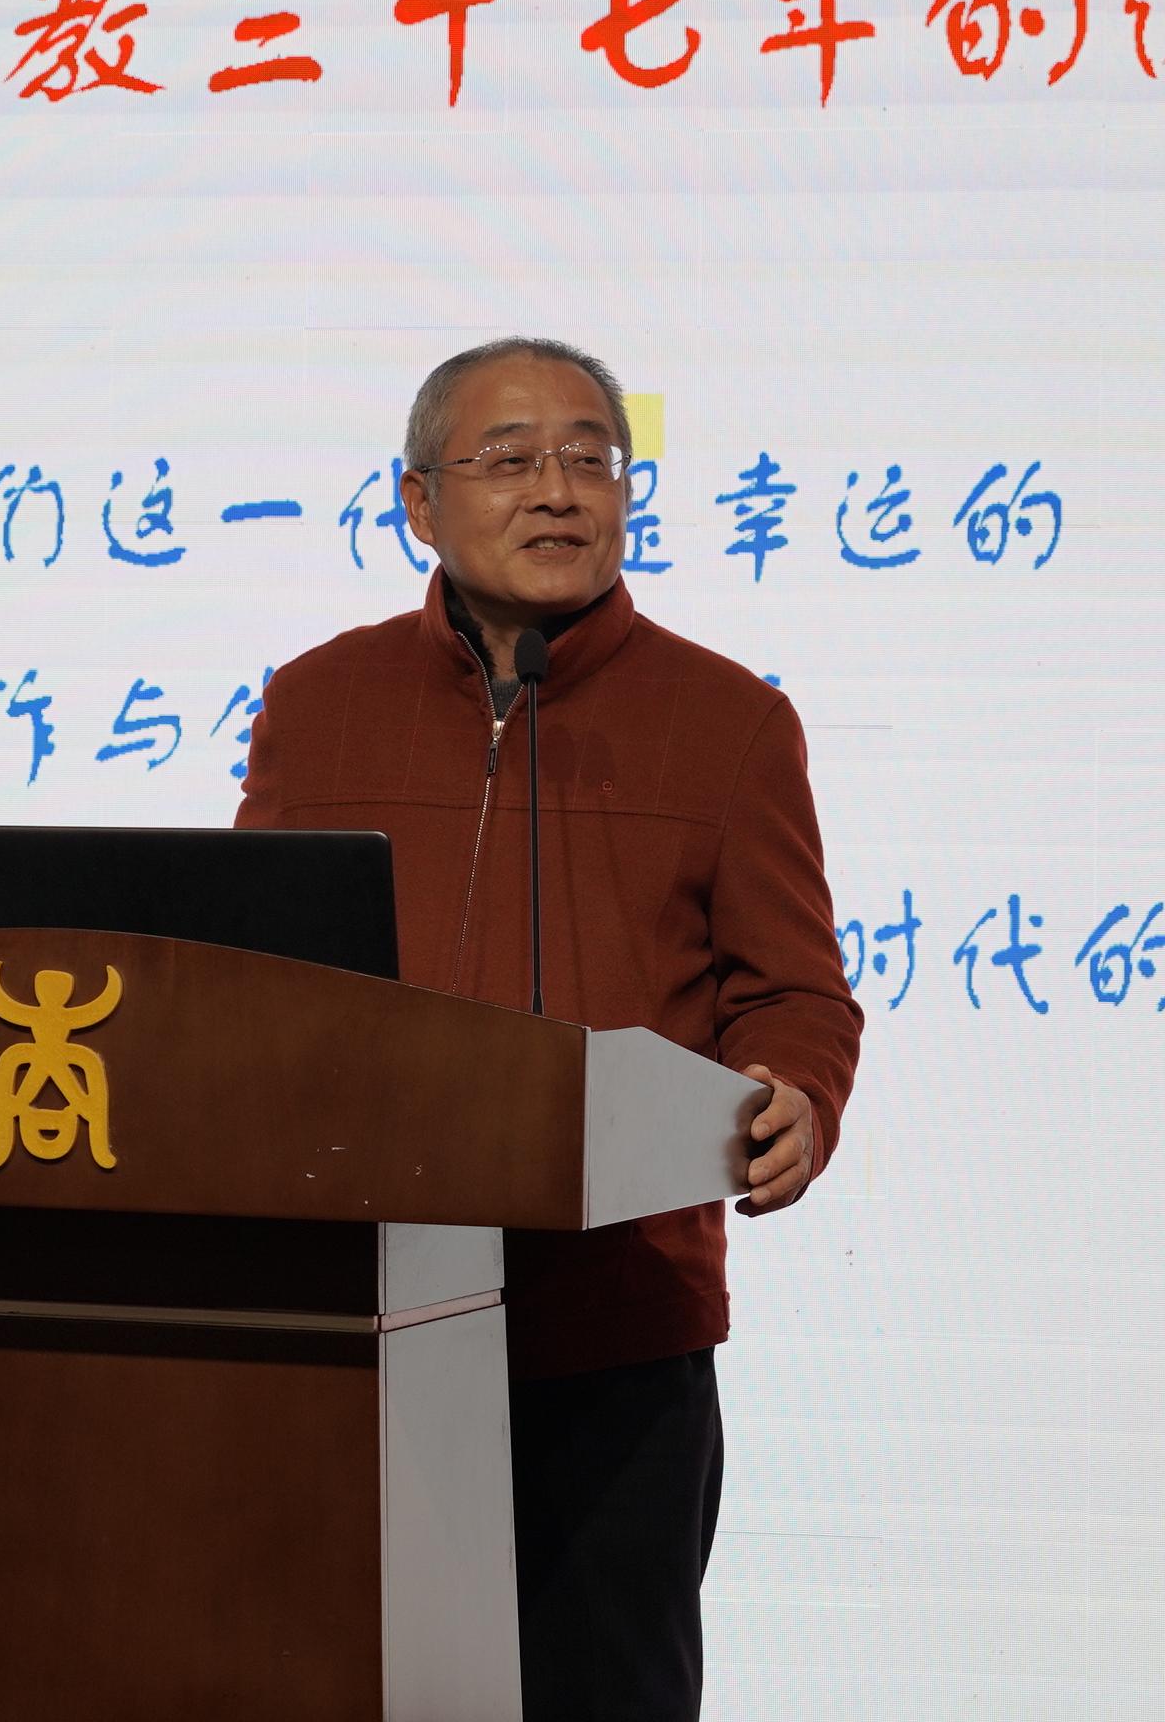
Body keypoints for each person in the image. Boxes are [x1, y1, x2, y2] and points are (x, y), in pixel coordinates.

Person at [235, 335, 862, 1720]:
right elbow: (251, 974)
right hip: (360, 1321)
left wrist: (795, 1092)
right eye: (510, 459)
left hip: (616, 1328)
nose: (560, 491)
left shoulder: (730, 722)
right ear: (419, 501)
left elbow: (793, 991)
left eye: (592, 458)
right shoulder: (320, 704)